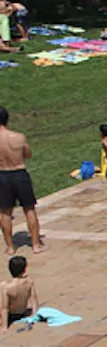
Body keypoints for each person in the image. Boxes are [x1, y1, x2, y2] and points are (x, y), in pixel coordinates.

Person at [0, 107, 42, 255]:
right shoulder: (19, 137)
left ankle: (10, 247)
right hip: (19, 173)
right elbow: (27, 154)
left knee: (5, 212)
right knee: (29, 209)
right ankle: (36, 245)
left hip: (2, 175)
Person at [3, 255, 37, 330]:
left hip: (11, 315)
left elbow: (4, 308)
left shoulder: (7, 287)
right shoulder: (29, 282)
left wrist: (4, 326)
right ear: (24, 270)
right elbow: (33, 299)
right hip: (23, 313)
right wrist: (34, 315)